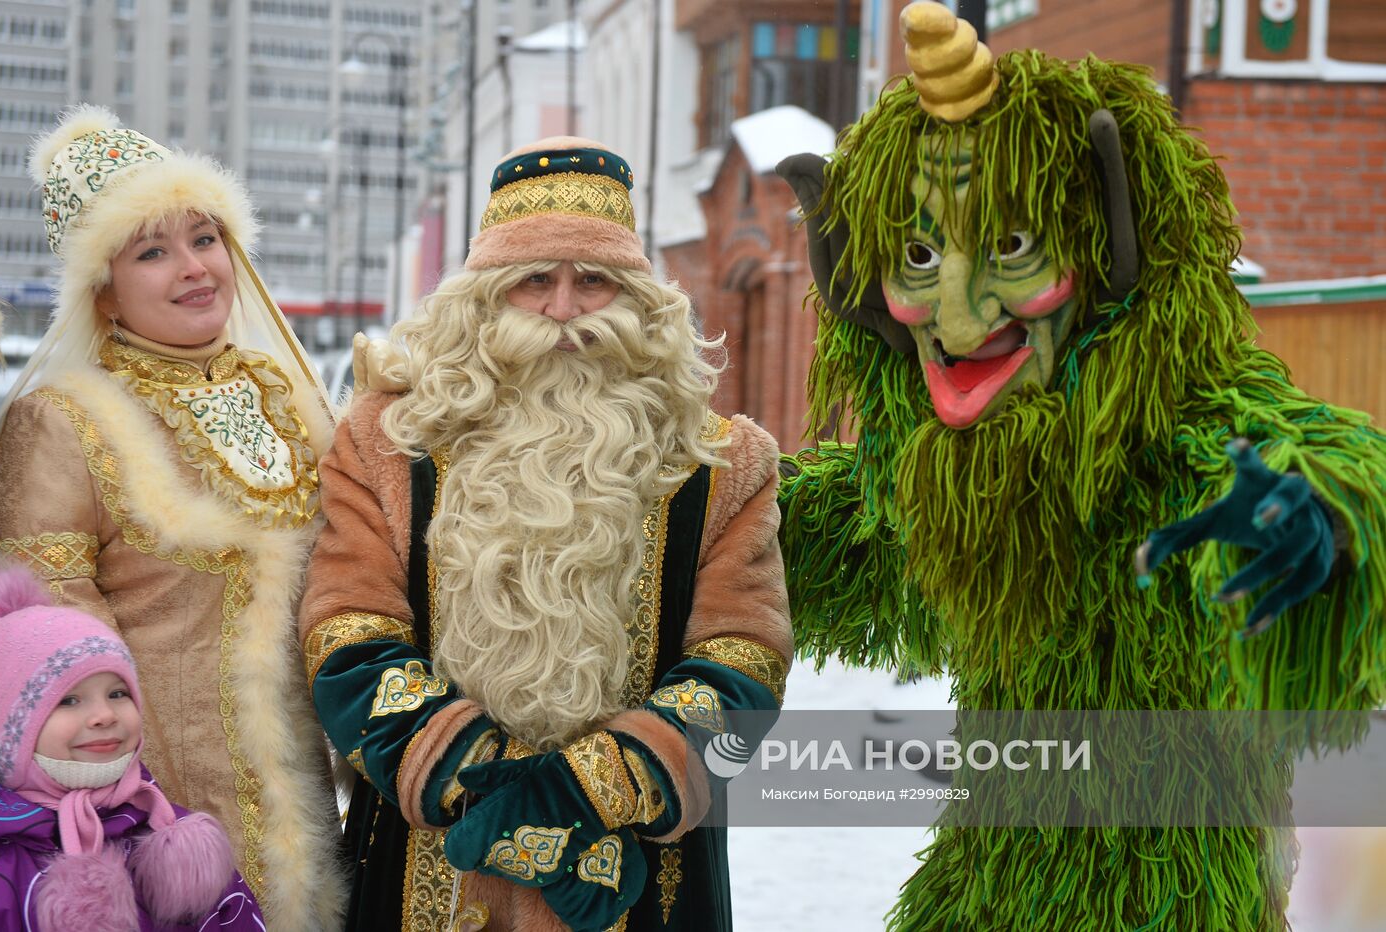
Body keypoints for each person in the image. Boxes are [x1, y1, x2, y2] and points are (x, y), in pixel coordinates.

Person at [775, 3, 1386, 930]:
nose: (958, 313)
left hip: (1172, 897)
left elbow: (1311, 459)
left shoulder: (1183, 432)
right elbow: (853, 538)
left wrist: (1320, 516)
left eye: (1014, 247)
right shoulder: (960, 474)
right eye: (918, 254)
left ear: (1114, 249)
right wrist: (706, 506)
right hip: (979, 884)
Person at [299, 136, 792, 931]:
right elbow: (348, 635)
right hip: (434, 856)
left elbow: (744, 656)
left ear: (637, 298)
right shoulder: (388, 442)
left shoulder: (724, 460)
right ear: (487, 296)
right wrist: (484, 779)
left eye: (593, 280)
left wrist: (588, 789)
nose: (564, 311)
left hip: (641, 871)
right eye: (535, 280)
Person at [0, 106, 346, 930]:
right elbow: (49, 661)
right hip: (160, 825)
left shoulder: (288, 396)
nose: (194, 268)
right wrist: (135, 821)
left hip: (316, 813)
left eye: (205, 238)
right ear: (102, 289)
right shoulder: (63, 422)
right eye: (152, 251)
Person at [0, 563, 265, 931]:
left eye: (118, 694)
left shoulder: (165, 833)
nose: (104, 715)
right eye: (68, 701)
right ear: (4, 728)